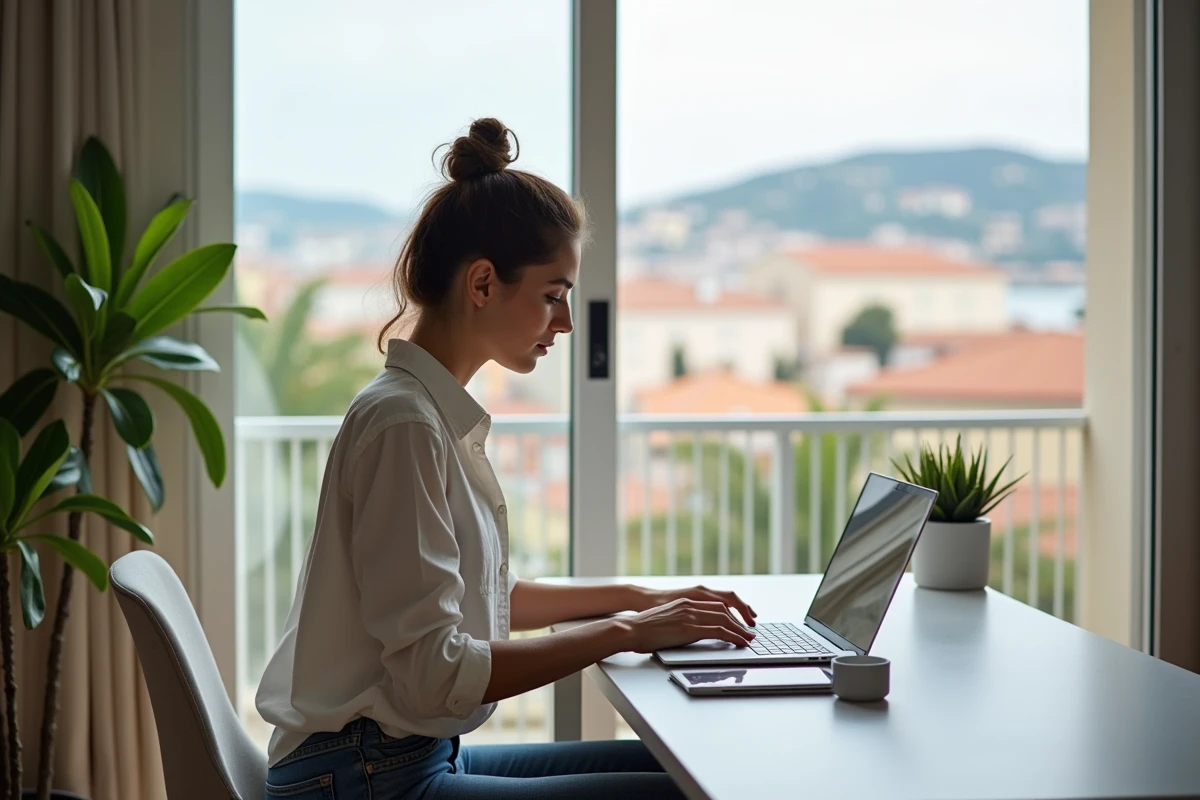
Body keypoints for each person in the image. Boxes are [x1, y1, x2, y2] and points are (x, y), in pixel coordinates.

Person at [255, 118, 759, 800]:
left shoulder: (427, 414)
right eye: (554, 296)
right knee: (687, 792)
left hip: (396, 759)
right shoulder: (406, 425)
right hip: (364, 777)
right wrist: (626, 631)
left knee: (690, 773)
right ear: (484, 283)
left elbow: (492, 601)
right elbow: (435, 672)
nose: (567, 324)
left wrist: (649, 600)